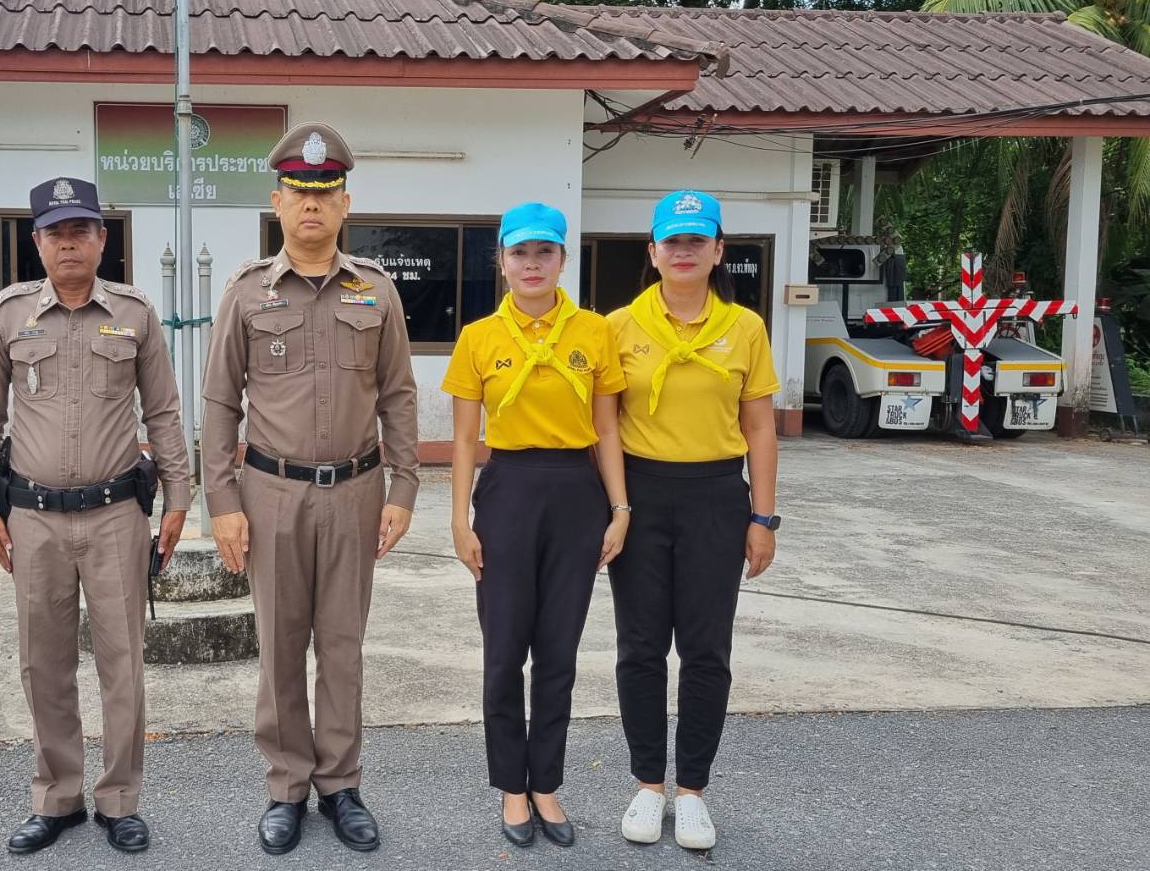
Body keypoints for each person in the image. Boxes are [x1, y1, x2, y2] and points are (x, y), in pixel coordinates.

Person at [200, 122, 420, 855]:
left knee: (344, 645)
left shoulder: (377, 292)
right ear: (278, 203)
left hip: (357, 490)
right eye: (299, 192)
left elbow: (399, 395)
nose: (313, 204)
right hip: (272, 493)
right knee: (281, 645)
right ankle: (287, 786)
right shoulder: (246, 293)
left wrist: (404, 488)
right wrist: (223, 502)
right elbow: (219, 403)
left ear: (345, 203)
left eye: (326, 192)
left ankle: (341, 785)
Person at [0, 177, 191, 856]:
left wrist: (180, 497)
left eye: (81, 231)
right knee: (44, 664)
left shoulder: (135, 313)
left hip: (115, 514)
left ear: (101, 239)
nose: (68, 243)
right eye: (55, 232)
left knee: (123, 665)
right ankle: (57, 797)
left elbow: (164, 412)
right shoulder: (8, 314)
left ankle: (120, 800)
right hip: (33, 517)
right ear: (37, 242)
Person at [442, 202, 630, 848]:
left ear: (562, 260)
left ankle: (545, 783)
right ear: (501, 261)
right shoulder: (479, 337)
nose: (531, 264)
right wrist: (460, 520)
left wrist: (620, 509)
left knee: (558, 651)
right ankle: (511, 788)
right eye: (519, 252)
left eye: (544, 252)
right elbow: (464, 440)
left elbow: (608, 429)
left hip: (577, 494)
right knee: (504, 652)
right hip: (508, 491)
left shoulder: (593, 332)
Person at [606, 189, 780, 851]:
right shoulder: (619, 326)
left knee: (707, 650)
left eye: (696, 241)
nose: (684, 252)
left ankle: (693, 792)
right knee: (641, 646)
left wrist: (763, 517)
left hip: (715, 496)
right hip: (641, 495)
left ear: (718, 250)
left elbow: (759, 428)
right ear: (652, 252)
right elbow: (604, 428)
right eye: (672, 241)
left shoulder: (746, 328)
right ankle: (649, 784)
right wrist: (615, 507)